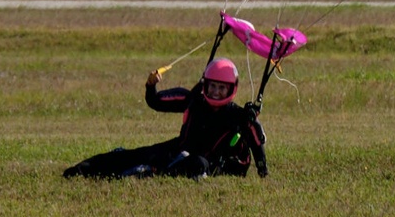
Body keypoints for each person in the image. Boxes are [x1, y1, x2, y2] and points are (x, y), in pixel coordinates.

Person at [63, 58, 267, 180]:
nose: (215, 92)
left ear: (231, 89)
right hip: (180, 149)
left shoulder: (239, 116)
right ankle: (82, 169)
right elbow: (157, 101)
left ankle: (145, 173)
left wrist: (262, 168)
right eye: (212, 86)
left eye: (221, 88)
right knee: (139, 154)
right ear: (205, 84)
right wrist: (151, 86)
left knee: (195, 164)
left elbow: (256, 141)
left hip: (210, 163)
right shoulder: (194, 100)